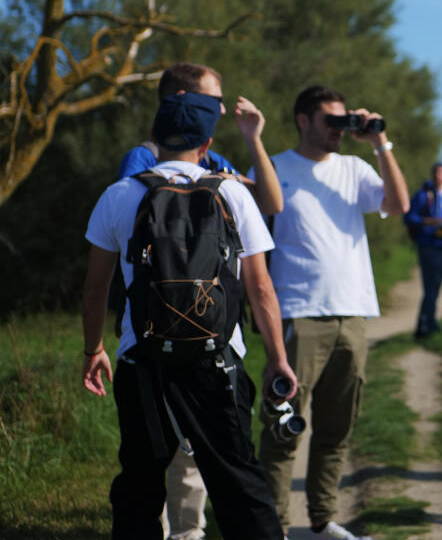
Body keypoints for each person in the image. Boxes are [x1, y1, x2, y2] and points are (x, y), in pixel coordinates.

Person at [82, 92, 297, 540]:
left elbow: (96, 287)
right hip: (217, 362)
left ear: (153, 139)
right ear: (208, 143)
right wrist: (277, 357)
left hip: (141, 359)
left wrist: (94, 349)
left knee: (139, 484)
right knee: (239, 481)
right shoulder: (233, 193)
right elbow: (261, 288)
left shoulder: (120, 194)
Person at [257, 85, 409, 540]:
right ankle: (274, 527)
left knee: (337, 427)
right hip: (298, 314)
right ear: (303, 120)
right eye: (331, 120)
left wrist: (379, 141)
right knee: (283, 427)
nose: (340, 130)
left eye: (345, 121)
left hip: (352, 313)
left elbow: (398, 205)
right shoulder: (276, 168)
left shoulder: (355, 167)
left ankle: (322, 521)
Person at [118, 62, 284, 216]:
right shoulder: (143, 157)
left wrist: (253, 139)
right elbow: (127, 216)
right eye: (215, 100)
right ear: (183, 97)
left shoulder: (211, 160)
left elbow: (271, 205)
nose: (223, 110)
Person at [404, 162, 442, 339]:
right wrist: (426, 221)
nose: (439, 176)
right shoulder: (423, 195)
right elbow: (408, 216)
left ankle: (428, 324)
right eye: (436, 172)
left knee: (436, 287)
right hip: (427, 244)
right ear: (432, 175)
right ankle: (425, 327)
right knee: (430, 287)